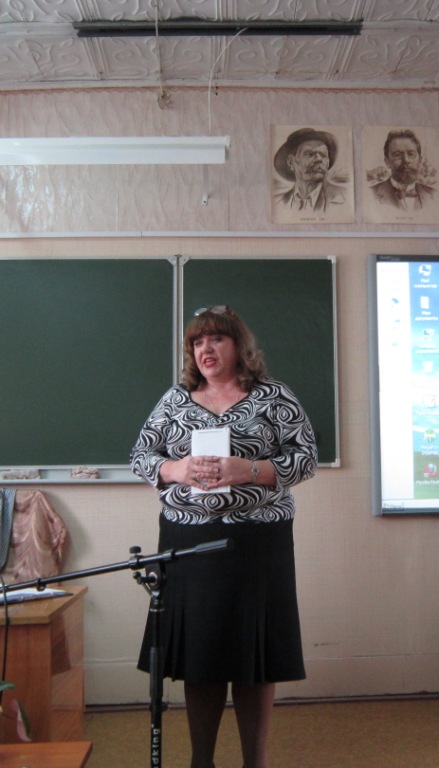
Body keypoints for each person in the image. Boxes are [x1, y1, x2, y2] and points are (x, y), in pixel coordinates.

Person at [130, 305, 318, 768]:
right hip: (189, 543)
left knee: (255, 658)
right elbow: (141, 457)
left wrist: (249, 470)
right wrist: (176, 468)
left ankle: (255, 762)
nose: (206, 349)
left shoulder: (274, 396)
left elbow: (306, 459)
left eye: (216, 339)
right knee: (202, 654)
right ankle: (202, 761)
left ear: (238, 345)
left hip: (258, 542)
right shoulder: (176, 400)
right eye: (197, 342)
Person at [273, 127, 346, 212]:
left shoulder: (344, 197)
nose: (318, 159)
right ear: (291, 162)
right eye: (310, 154)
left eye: (323, 155)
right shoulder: (277, 203)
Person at [369, 129, 435, 209]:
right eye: (397, 155)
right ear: (387, 161)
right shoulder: (370, 194)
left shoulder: (434, 194)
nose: (406, 160)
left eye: (411, 154)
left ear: (419, 160)